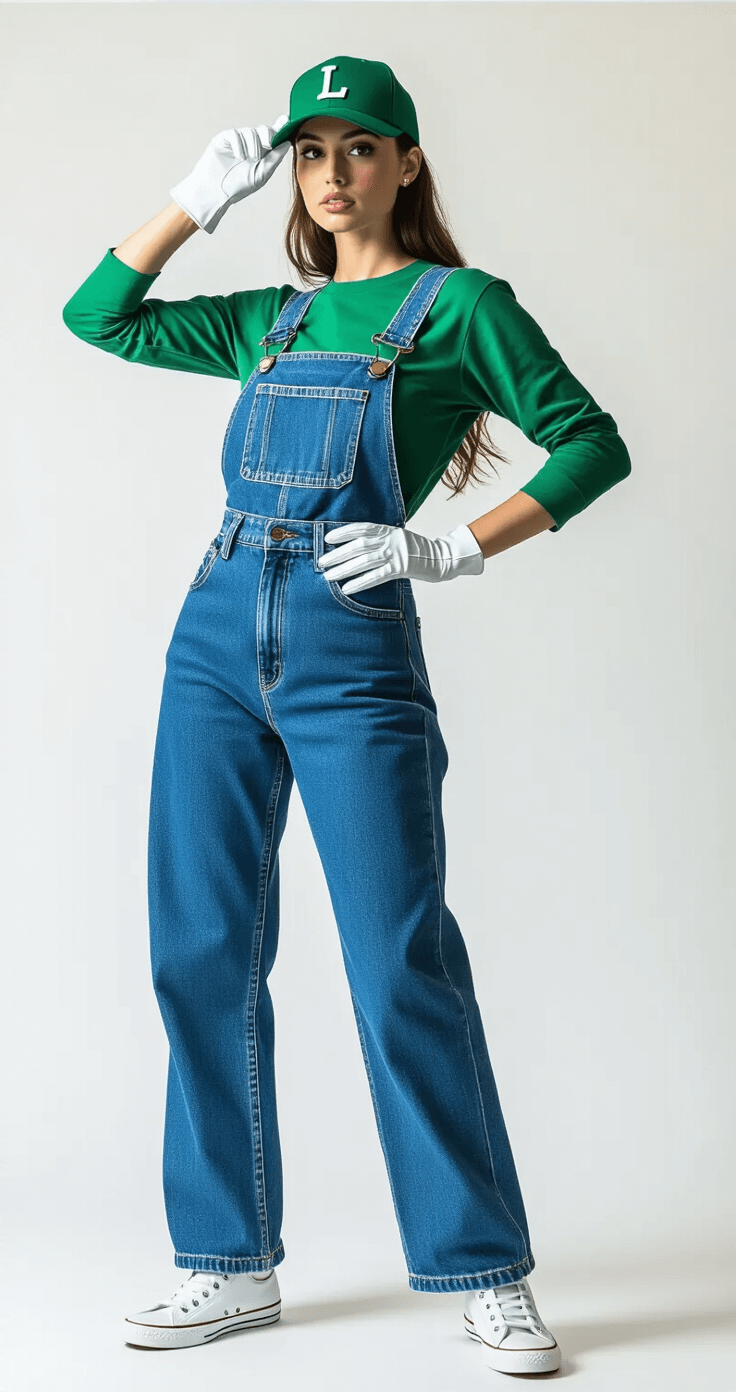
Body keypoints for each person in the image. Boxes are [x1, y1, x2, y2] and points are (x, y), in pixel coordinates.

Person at [62, 54, 631, 1376]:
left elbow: (590, 437)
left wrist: (463, 550)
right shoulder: (273, 314)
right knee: (199, 948)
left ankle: (485, 1270)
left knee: (397, 958)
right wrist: (190, 200)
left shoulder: (461, 307)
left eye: (359, 150)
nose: (331, 176)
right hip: (212, 635)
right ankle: (226, 1264)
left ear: (407, 163)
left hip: (350, 638)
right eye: (311, 154)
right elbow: (100, 315)